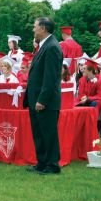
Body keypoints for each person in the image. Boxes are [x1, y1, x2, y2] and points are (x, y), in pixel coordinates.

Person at [23, 17, 63, 175]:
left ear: (43, 28)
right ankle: (42, 163)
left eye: (35, 26)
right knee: (39, 134)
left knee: (48, 134)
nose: (33, 29)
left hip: (45, 101)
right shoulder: (45, 45)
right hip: (36, 99)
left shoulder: (52, 47)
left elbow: (50, 78)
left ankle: (52, 165)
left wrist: (42, 100)